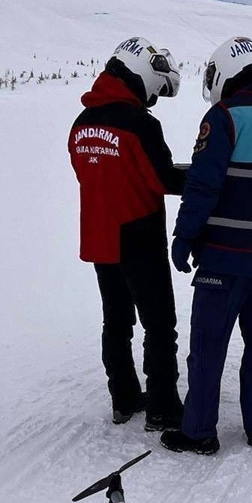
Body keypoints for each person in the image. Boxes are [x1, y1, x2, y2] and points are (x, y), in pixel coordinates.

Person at [161, 37, 252, 455]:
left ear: (227, 70)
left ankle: (198, 432)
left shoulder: (224, 117)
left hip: (223, 260)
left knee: (208, 347)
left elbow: (203, 186)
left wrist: (184, 236)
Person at [68, 36, 186, 431]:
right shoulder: (140, 124)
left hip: (99, 235)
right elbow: (164, 178)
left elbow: (86, 174)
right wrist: (202, 174)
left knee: (116, 322)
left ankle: (122, 399)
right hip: (138, 232)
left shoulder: (80, 124)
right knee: (158, 323)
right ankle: (163, 409)